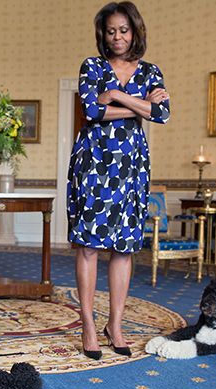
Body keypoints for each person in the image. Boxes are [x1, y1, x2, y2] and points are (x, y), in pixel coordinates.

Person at [67, 2, 170, 360]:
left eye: (123, 30)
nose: (117, 37)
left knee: (123, 248)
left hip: (131, 166)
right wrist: (141, 104)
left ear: (135, 31)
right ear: (103, 34)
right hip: (93, 164)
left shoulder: (151, 70)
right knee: (89, 246)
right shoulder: (92, 66)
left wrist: (116, 96)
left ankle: (116, 324)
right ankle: (89, 326)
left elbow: (163, 114)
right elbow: (91, 110)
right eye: (111, 31)